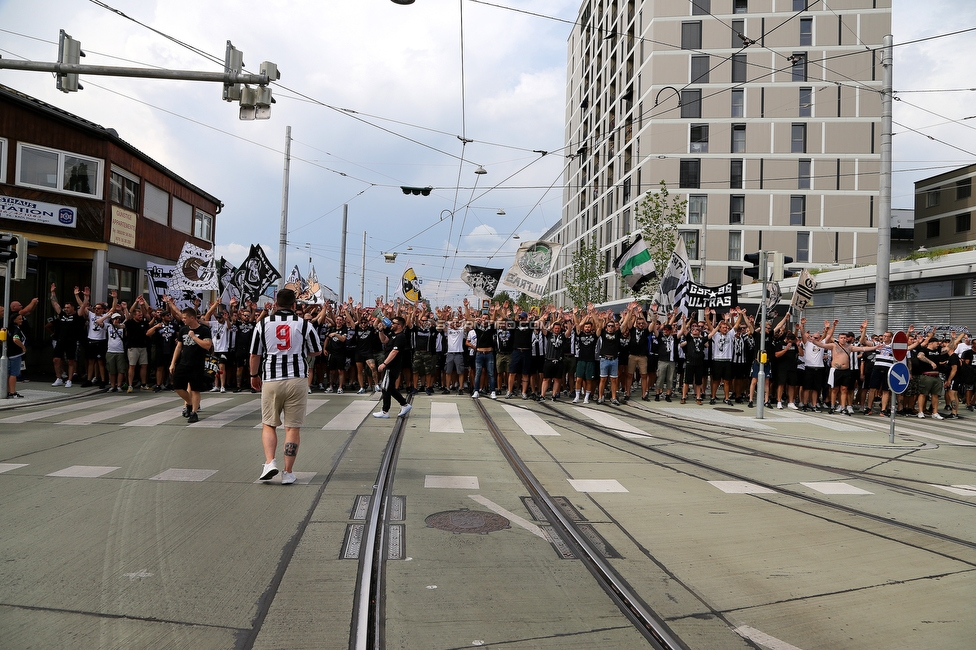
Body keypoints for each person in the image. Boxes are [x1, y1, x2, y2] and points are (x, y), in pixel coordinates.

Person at [250, 288, 322, 484]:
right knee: (292, 428)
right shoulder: (303, 324)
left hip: (271, 379)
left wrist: (253, 375)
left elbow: (255, 354)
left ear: (275, 305)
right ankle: (288, 472)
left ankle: (269, 462)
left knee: (269, 423)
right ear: (294, 306)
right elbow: (317, 351)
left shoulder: (263, 323)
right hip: (297, 378)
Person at [169, 299, 213, 424]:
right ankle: (189, 402)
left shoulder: (204, 330)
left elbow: (207, 345)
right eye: (182, 318)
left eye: (185, 318)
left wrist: (194, 337)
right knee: (177, 386)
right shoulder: (183, 330)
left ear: (192, 318)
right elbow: (179, 347)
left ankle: (194, 412)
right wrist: (173, 363)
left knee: (195, 389)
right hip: (183, 363)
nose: (183, 319)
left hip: (197, 364)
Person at [372, 315, 413, 419]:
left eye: (393, 323)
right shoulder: (393, 334)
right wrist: (380, 331)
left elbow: (394, 351)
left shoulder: (401, 337)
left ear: (399, 326)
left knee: (385, 388)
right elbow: (384, 340)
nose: (391, 324)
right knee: (389, 388)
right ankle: (404, 404)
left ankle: (385, 411)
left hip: (392, 366)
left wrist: (384, 364)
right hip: (390, 365)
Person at [49, 283, 87, 387]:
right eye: (65, 307)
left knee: (71, 361)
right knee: (56, 359)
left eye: (68, 307)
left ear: (73, 308)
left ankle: (69, 380)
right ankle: (59, 378)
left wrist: (86, 297)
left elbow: (83, 306)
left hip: (72, 341)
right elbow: (55, 304)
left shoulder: (77, 316)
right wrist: (52, 292)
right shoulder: (62, 315)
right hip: (61, 340)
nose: (66, 309)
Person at [6, 312, 27, 398]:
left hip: (8, 353)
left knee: (8, 373)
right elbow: (15, 339)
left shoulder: (7, 328)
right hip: (15, 354)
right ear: (14, 320)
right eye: (19, 319)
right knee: (14, 373)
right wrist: (23, 347)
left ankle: (7, 390)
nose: (21, 320)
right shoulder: (16, 329)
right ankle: (12, 392)